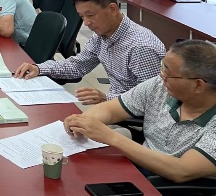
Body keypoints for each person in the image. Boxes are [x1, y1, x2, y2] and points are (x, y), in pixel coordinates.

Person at [64, 40, 216, 184]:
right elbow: (111, 109)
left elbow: (181, 171)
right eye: (163, 67)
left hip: (170, 186)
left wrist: (110, 136)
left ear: (198, 85)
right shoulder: (161, 85)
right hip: (139, 165)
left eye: (169, 73)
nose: (162, 75)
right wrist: (83, 121)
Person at [14, 0, 164, 104]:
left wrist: (106, 98)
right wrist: (39, 68)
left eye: (90, 15)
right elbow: (77, 66)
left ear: (112, 9)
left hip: (139, 117)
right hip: (116, 106)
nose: (86, 23)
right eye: (81, 16)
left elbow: (151, 100)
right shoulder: (102, 35)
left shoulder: (141, 47)